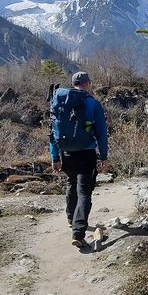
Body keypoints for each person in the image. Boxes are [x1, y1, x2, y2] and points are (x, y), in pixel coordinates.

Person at [50, 71, 108, 248]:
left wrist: (55, 157)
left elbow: (52, 133)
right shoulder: (92, 104)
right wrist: (104, 156)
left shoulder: (60, 102)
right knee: (84, 192)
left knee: (71, 183)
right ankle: (78, 232)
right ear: (88, 83)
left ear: (73, 83)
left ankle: (71, 218)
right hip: (86, 153)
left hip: (66, 153)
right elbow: (101, 133)